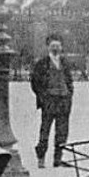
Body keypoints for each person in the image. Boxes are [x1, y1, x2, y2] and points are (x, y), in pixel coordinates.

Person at [29, 33, 75, 167]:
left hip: (63, 101)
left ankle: (58, 159)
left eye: (58, 46)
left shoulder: (65, 63)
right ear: (48, 47)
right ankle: (41, 158)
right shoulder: (41, 63)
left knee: (62, 132)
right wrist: (43, 98)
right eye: (53, 45)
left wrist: (69, 94)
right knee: (45, 131)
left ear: (61, 47)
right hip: (49, 102)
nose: (55, 48)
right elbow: (34, 82)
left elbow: (69, 80)